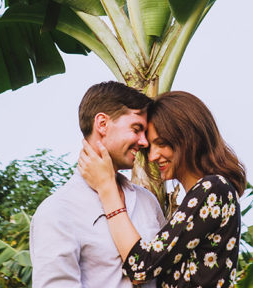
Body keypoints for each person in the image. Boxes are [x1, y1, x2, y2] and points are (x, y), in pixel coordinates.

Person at [78, 91, 245, 288]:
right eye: (150, 148)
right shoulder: (209, 192)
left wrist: (107, 189)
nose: (152, 157)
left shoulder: (213, 190)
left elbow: (141, 267)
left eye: (162, 143)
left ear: (188, 137)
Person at [30, 82, 167, 288]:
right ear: (102, 124)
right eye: (136, 129)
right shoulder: (57, 211)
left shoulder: (148, 201)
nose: (144, 142)